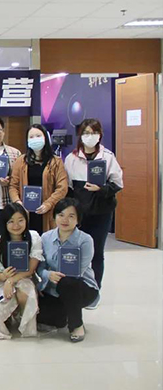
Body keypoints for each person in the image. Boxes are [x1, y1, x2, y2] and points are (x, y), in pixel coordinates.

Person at [64, 118, 123, 289]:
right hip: (79, 214)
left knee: (97, 252)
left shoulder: (108, 157)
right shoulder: (72, 158)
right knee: (76, 250)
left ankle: (95, 289)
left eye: (94, 132)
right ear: (80, 135)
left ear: (100, 135)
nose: (90, 136)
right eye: (86, 133)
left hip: (101, 213)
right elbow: (68, 188)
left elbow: (118, 184)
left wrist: (101, 188)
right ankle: (75, 287)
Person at [37, 198, 99, 342]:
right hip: (53, 287)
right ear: (54, 216)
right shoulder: (46, 238)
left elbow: (79, 271)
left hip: (81, 287)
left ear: (78, 219)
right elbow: (40, 267)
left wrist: (60, 277)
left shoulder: (85, 240)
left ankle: (77, 325)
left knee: (68, 282)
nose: (65, 220)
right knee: (45, 318)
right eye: (61, 215)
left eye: (71, 216)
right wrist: (48, 274)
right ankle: (65, 314)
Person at [0, 203, 42, 340]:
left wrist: (11, 280)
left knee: (24, 293)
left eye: (20, 220)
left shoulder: (34, 237)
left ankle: (22, 319)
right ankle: (8, 316)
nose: (16, 225)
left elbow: (30, 270)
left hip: (26, 279)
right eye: (11, 221)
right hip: (4, 282)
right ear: (5, 223)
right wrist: (4, 277)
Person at [9, 124, 68, 234]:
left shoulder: (56, 161)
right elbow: (13, 186)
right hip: (25, 212)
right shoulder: (20, 161)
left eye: (38, 136)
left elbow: (62, 188)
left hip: (47, 211)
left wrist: (48, 204)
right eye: (31, 137)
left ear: (45, 138)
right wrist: (17, 202)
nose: (35, 139)